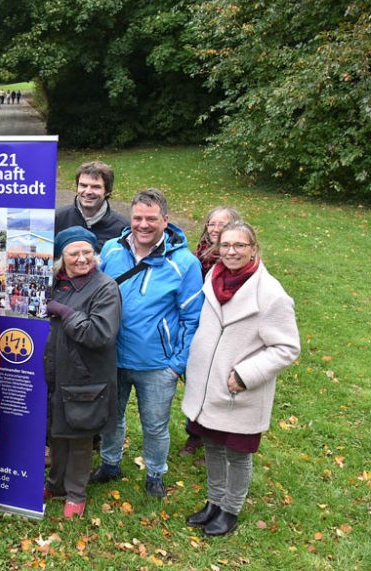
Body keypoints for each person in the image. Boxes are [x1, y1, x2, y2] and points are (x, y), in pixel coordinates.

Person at [182, 221, 299, 536]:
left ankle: (230, 509)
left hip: (238, 390)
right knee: (212, 446)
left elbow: (287, 347)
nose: (231, 251)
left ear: (254, 249)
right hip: (208, 387)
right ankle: (214, 501)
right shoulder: (213, 278)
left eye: (240, 245)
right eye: (226, 245)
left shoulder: (271, 294)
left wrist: (245, 375)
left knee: (236, 453)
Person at [92, 188, 204, 498]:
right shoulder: (112, 251)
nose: (143, 224)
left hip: (156, 364)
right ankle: (110, 463)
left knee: (155, 425)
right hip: (110, 356)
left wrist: (176, 364)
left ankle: (156, 472)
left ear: (165, 221)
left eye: (151, 219)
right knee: (111, 418)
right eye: (138, 217)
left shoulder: (185, 263)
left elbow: (193, 319)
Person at [43, 227, 121, 518]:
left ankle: (76, 492)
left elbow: (99, 333)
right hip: (55, 373)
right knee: (57, 431)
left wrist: (64, 312)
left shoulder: (104, 287)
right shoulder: (56, 284)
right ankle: (55, 483)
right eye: (73, 253)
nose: (81, 258)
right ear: (61, 258)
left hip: (85, 374)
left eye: (87, 252)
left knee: (79, 435)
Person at [179, 205, 243, 456]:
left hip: (227, 328)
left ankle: (217, 438)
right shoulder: (199, 255)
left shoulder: (237, 258)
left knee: (221, 382)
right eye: (211, 224)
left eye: (222, 224)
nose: (215, 229)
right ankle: (195, 434)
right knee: (199, 381)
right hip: (201, 324)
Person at [54, 161, 128, 250]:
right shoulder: (57, 219)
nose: (88, 191)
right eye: (83, 185)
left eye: (95, 187)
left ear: (107, 191)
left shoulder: (121, 228)